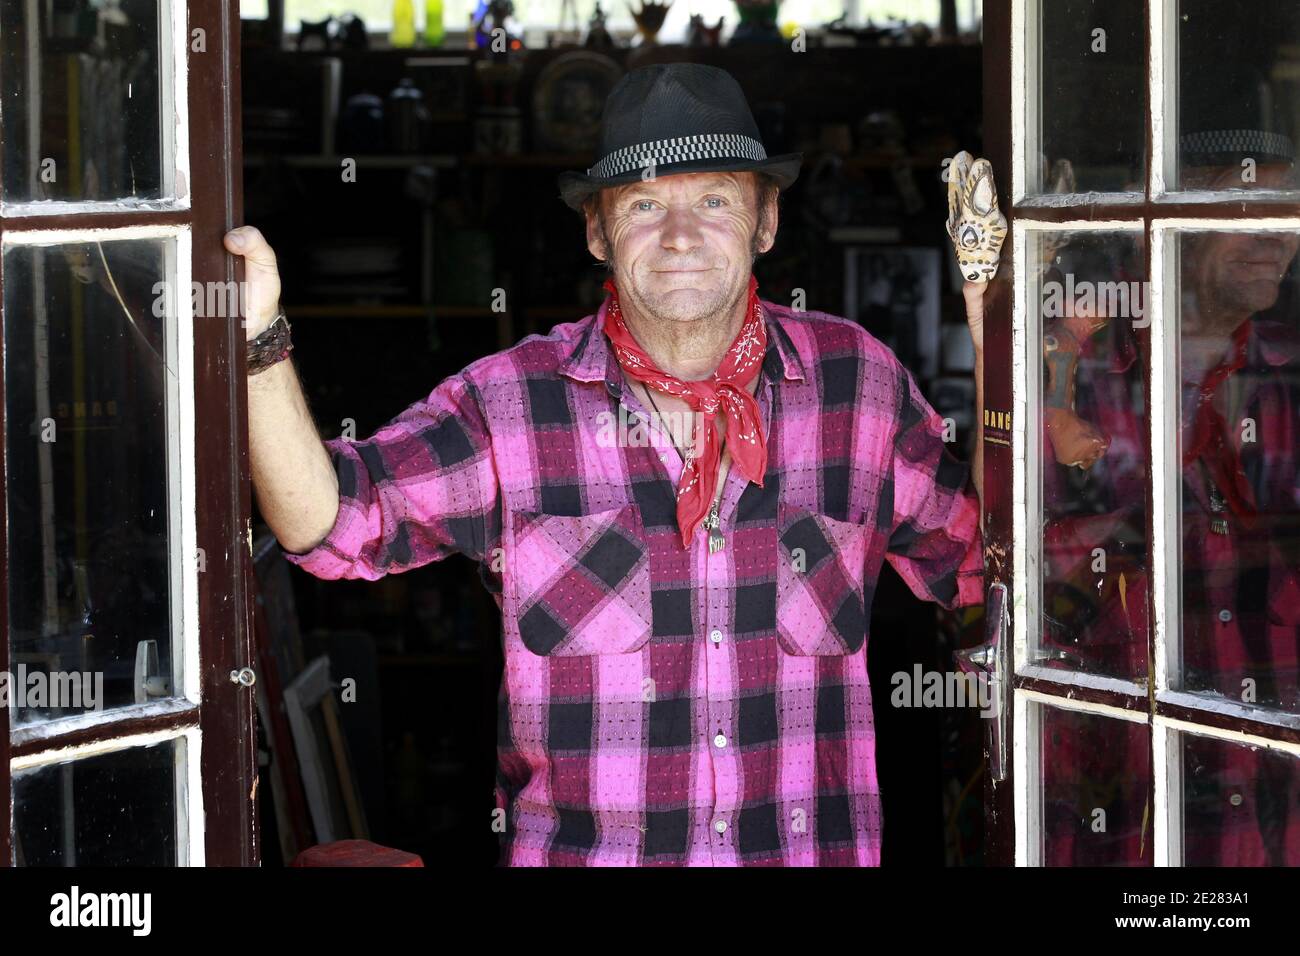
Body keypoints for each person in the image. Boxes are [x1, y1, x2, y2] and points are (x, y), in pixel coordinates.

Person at [228, 63, 994, 866]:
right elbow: (328, 523)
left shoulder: (859, 387)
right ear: (596, 231)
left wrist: (1004, 351)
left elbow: (983, 564)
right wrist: (257, 342)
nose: (680, 234)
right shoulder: (511, 405)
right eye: (642, 204)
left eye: (714, 199)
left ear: (766, 220)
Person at [1039, 127, 1300, 865]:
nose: (1272, 231)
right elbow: (1010, 569)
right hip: (1122, 784)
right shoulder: (1066, 369)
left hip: (1275, 783)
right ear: (1166, 221)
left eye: (1284, 207)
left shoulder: (1289, 375)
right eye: (1240, 203)